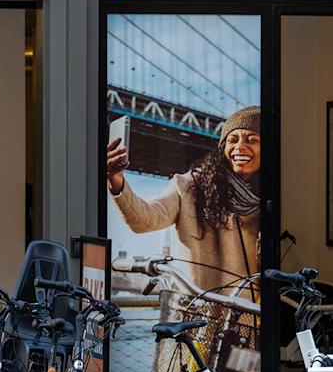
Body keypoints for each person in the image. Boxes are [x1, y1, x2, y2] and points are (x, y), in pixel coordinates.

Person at [106, 106, 261, 297]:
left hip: (253, 317)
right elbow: (144, 220)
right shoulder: (189, 186)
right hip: (199, 314)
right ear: (222, 148)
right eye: (232, 140)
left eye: (252, 140)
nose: (239, 147)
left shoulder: (278, 197)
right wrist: (117, 181)